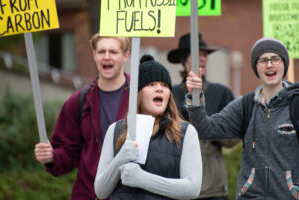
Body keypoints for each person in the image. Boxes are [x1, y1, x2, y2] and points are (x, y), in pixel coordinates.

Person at [185, 37, 299, 199]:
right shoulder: (244, 105)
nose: (269, 65)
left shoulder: (296, 103)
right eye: (263, 60)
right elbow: (205, 129)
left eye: (275, 59)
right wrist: (195, 98)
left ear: (284, 64)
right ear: (256, 67)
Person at [34, 33, 131, 199]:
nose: (106, 57)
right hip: (88, 194)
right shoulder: (78, 101)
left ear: (125, 56)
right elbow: (68, 152)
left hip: (130, 194)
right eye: (101, 51)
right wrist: (52, 157)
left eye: (113, 52)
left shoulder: (141, 97)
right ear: (94, 55)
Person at [94, 55, 202, 200]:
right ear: (137, 94)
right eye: (151, 84)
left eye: (164, 85)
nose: (159, 89)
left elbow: (192, 189)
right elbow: (100, 192)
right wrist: (120, 159)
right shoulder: (115, 130)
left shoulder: (186, 133)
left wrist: (141, 179)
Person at [167, 32, 239, 200]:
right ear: (184, 60)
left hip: (214, 188)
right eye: (197, 54)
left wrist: (209, 127)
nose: (203, 58)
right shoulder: (169, 94)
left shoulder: (221, 93)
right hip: (178, 186)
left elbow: (233, 138)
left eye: (205, 54)